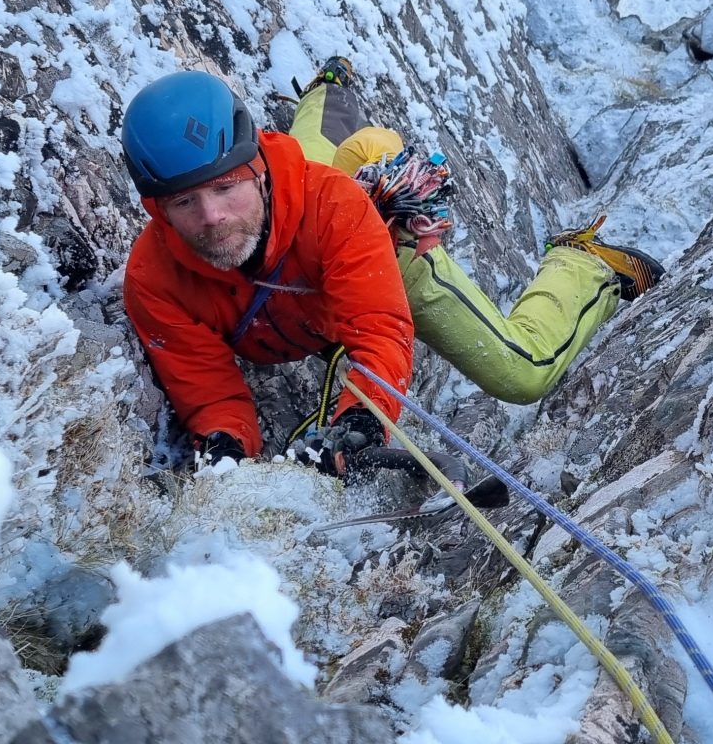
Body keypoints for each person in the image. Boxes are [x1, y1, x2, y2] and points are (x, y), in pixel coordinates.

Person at [119, 63, 661, 472]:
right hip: (308, 233)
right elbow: (210, 393)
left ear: (256, 167)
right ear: (157, 208)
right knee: (309, 162)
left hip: (377, 253)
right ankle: (327, 92)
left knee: (521, 371)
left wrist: (360, 420)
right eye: (184, 203)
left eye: (224, 188)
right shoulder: (155, 278)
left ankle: (582, 263)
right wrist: (227, 447)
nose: (212, 218)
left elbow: (378, 330)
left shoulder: (333, 206)